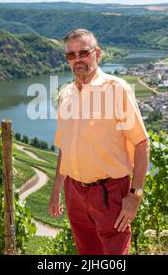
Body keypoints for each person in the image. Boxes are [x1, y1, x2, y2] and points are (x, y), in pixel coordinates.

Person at [48, 28, 150, 255]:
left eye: (83, 53)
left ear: (98, 54)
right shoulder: (66, 95)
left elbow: (142, 143)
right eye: (71, 55)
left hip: (110, 192)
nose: (77, 60)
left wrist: (135, 195)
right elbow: (65, 147)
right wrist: (57, 190)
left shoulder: (117, 89)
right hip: (74, 191)